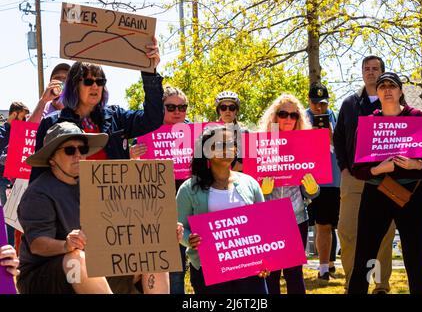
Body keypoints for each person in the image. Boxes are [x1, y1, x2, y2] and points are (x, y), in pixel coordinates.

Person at [28, 37, 165, 294]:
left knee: (155, 252)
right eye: (88, 81)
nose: (95, 86)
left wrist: (150, 71)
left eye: (100, 81)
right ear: (74, 85)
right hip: (72, 218)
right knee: (81, 266)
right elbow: (41, 178)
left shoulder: (116, 116)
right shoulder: (54, 123)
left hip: (115, 217)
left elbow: (153, 118)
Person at [348, 72, 422, 294]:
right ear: (377, 92)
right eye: (382, 86)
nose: (387, 90)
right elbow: (357, 169)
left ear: (400, 91)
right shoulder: (368, 124)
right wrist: (380, 168)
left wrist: (416, 165)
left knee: (415, 261)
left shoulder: (417, 118)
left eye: (392, 86)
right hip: (376, 193)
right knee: (364, 258)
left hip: (412, 194)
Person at [17, 121, 113, 294]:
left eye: (82, 149)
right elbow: (38, 244)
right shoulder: (38, 193)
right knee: (76, 259)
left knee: (150, 256)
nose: (78, 155)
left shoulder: (96, 184)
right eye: (69, 150)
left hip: (93, 264)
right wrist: (65, 246)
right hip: (42, 277)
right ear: (52, 159)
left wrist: (158, 234)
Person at [177, 125, 269, 294]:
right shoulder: (188, 189)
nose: (227, 149)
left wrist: (266, 261)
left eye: (231, 144)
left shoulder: (251, 183)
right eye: (219, 144)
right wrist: (189, 240)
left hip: (250, 271)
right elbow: (179, 228)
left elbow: (263, 227)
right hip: (208, 271)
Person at [333, 55, 395, 293]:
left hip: (387, 179)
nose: (370, 72)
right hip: (354, 177)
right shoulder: (349, 103)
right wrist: (344, 167)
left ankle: (380, 285)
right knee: (347, 232)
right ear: (362, 73)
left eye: (375, 69)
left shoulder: (392, 102)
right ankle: (353, 284)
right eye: (366, 69)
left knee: (383, 234)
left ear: (382, 72)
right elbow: (338, 138)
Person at [130, 85, 190, 294]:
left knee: (185, 267)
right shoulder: (144, 133)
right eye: (171, 107)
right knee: (168, 267)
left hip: (188, 208)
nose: (177, 112)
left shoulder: (196, 135)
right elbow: (132, 180)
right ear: (161, 108)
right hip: (156, 211)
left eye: (182, 107)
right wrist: (133, 158)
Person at [258, 93, 320, 294]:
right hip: (267, 217)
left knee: (294, 273)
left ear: (299, 119)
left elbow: (312, 188)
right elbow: (248, 186)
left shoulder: (306, 144)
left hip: (297, 216)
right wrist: (260, 189)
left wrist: (313, 190)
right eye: (283, 113)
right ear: (274, 116)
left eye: (294, 115)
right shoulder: (258, 143)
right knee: (271, 273)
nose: (288, 119)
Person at [305, 83, 341, 280]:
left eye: (323, 104)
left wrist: (330, 135)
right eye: (315, 104)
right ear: (309, 101)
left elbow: (340, 145)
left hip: (330, 179)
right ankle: (291, 267)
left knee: (326, 224)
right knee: (306, 224)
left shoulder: (333, 116)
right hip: (307, 178)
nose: (319, 108)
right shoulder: (300, 117)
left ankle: (325, 268)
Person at [0, 101, 30, 246]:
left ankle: (18, 251)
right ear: (14, 114)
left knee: (21, 217)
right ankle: (9, 252)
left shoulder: (23, 132)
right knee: (8, 219)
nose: (24, 121)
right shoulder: (1, 132)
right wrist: (6, 157)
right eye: (23, 117)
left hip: (20, 180)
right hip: (4, 181)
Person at [215, 91, 247, 172]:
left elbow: (252, 163)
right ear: (219, 111)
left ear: (236, 111)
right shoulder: (209, 133)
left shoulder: (245, 133)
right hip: (217, 181)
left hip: (241, 180)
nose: (227, 111)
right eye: (223, 107)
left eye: (232, 108)